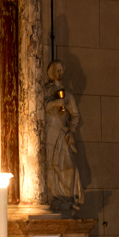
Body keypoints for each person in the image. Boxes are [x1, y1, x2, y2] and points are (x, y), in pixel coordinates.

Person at [44, 59, 84, 212]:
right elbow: (40, 107)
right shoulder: (46, 91)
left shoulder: (68, 95)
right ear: (51, 72)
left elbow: (75, 115)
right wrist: (55, 104)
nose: (59, 73)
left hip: (63, 133)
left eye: (61, 70)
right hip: (50, 132)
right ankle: (54, 197)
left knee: (68, 166)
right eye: (57, 70)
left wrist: (72, 131)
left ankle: (68, 197)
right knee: (50, 166)